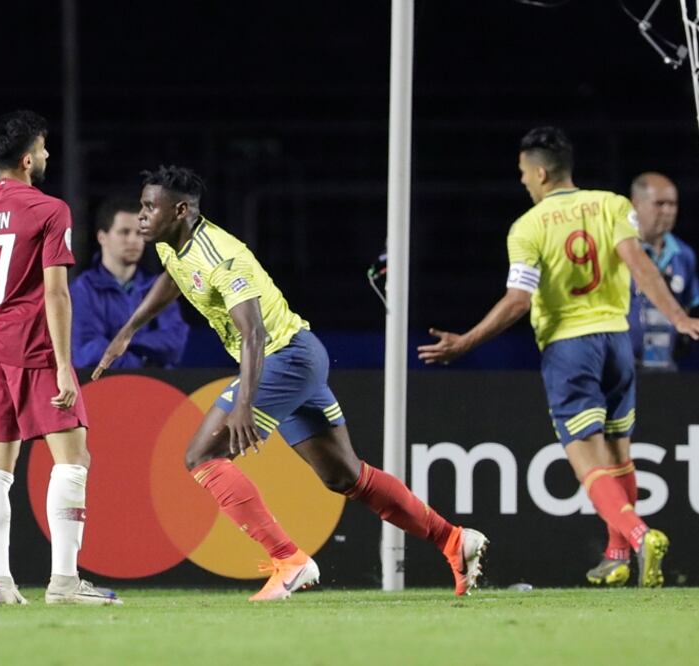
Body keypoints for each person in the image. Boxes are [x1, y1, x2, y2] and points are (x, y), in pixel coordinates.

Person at [94, 165, 487, 601]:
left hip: (286, 357)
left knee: (201, 454)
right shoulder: (173, 246)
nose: (142, 215)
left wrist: (244, 402)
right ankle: (453, 539)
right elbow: (176, 279)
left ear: (181, 210)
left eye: (150, 206)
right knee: (345, 476)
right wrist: (129, 329)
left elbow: (254, 333)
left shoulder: (222, 255)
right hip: (299, 355)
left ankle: (288, 559)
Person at [418, 127, 699, 588]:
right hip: (618, 343)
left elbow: (518, 301)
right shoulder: (612, 205)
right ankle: (617, 555)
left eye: (525, 173)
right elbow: (640, 264)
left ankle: (638, 534)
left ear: (542, 172)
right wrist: (677, 316)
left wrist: (466, 342)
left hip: (571, 348)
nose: (523, 181)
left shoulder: (528, 227)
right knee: (618, 455)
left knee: (587, 463)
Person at [0, 109, 119, 605]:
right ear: (28, 159)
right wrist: (65, 363)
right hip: (35, 348)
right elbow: (57, 295)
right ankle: (64, 583)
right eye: (45, 149)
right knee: (73, 460)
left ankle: (0, 584)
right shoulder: (50, 210)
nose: (48, 155)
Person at [71, 195, 188, 369]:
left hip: (157, 392)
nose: (134, 240)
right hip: (101, 390)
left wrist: (122, 341)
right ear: (102, 237)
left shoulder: (158, 286)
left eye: (139, 233)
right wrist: (143, 363)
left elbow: (175, 343)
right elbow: (87, 352)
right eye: (124, 232)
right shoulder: (82, 289)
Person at [626, 172, 699, 371]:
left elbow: (688, 306)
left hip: (666, 367)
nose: (667, 211)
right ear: (635, 204)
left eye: (672, 204)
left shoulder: (684, 255)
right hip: (622, 367)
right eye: (659, 204)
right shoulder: (620, 252)